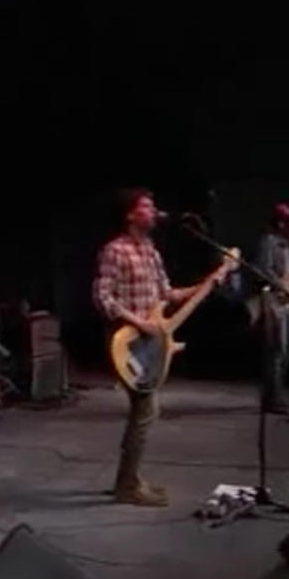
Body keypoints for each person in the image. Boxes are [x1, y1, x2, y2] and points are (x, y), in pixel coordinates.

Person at [92, 188, 211, 507]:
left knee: (144, 412)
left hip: (150, 343)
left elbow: (167, 294)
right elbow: (103, 297)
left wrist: (207, 283)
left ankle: (127, 480)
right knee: (146, 410)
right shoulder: (115, 250)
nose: (155, 210)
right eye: (147, 206)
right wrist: (139, 322)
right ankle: (127, 485)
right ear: (130, 215)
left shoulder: (151, 251)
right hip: (128, 342)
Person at [256, 202, 289, 415]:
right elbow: (264, 270)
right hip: (274, 302)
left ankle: (276, 394)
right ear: (282, 223)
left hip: (287, 302)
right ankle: (272, 399)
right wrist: (283, 286)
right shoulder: (269, 242)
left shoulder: (286, 245)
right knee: (277, 350)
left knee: (288, 348)